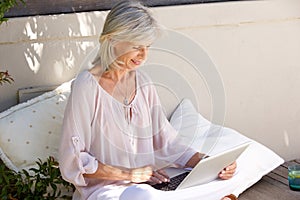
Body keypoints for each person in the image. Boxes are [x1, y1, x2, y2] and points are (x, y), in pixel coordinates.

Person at [59, 1, 237, 200]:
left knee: (220, 183)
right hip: (106, 191)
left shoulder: (143, 83)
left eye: (148, 47)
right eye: (137, 46)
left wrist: (210, 163)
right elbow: (73, 161)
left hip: (148, 186)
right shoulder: (87, 86)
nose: (143, 55)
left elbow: (167, 142)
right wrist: (130, 175)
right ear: (112, 39)